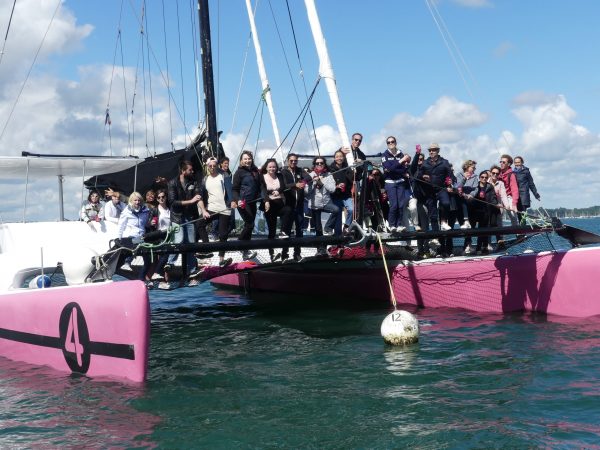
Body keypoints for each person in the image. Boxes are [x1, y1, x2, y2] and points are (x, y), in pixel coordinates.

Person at [166, 160, 202, 278]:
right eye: (190, 170)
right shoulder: (172, 183)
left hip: (190, 216)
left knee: (191, 243)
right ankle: (170, 263)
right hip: (176, 217)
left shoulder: (194, 182)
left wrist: (203, 209)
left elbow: (198, 196)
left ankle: (192, 270)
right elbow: (172, 202)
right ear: (183, 171)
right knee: (179, 240)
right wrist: (190, 201)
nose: (192, 171)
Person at [197, 157, 235, 267]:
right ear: (207, 166)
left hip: (224, 208)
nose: (212, 167)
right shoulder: (205, 179)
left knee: (223, 234)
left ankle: (221, 259)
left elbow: (229, 189)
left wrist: (232, 200)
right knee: (199, 223)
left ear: (217, 166)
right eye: (210, 166)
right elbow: (202, 194)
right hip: (212, 208)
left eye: (214, 165)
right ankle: (207, 248)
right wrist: (204, 210)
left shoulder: (224, 175)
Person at [304, 156, 340, 255]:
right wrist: (314, 182)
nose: (319, 165)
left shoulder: (328, 175)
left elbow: (332, 189)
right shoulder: (310, 175)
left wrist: (323, 181)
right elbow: (306, 191)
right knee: (318, 229)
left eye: (321, 163)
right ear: (314, 164)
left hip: (326, 202)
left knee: (336, 210)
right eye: (317, 163)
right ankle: (321, 249)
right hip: (315, 204)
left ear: (324, 164)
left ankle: (328, 227)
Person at [259, 158, 293, 262]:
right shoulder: (263, 177)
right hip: (269, 205)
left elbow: (283, 186)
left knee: (288, 210)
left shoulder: (279, 175)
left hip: (279, 204)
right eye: (270, 167)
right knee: (272, 230)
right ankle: (271, 254)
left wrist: (278, 191)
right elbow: (262, 189)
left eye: (274, 167)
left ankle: (283, 236)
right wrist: (266, 200)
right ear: (266, 167)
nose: (272, 168)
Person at [117, 191, 152, 285]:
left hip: (142, 237)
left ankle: (140, 280)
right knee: (135, 242)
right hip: (130, 236)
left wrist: (150, 223)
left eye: (139, 200)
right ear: (131, 201)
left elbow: (145, 224)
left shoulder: (145, 211)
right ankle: (127, 263)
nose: (137, 202)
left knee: (148, 260)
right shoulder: (126, 211)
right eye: (135, 200)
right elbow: (121, 225)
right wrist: (119, 238)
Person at [232, 150, 261, 260]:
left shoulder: (255, 171)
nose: (247, 160)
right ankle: (240, 242)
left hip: (253, 202)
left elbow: (259, 186)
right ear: (241, 160)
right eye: (245, 159)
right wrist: (238, 200)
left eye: (249, 158)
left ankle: (245, 250)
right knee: (250, 224)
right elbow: (234, 189)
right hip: (243, 202)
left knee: (249, 225)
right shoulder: (239, 173)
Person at [419, 143, 453, 232]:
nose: (431, 152)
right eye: (429, 150)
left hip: (442, 189)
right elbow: (418, 175)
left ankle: (443, 221)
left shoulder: (444, 162)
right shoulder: (425, 163)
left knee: (446, 203)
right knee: (433, 215)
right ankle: (435, 236)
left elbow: (450, 175)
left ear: (438, 151)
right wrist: (423, 176)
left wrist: (449, 185)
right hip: (430, 191)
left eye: (433, 150)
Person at [281, 153, 309, 261]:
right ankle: (284, 254)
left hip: (299, 205)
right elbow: (283, 186)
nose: (293, 162)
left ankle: (297, 253)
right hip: (288, 206)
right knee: (286, 231)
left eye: (295, 161)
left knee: (299, 231)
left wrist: (303, 181)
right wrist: (295, 185)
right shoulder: (283, 172)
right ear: (288, 161)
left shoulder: (300, 170)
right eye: (291, 161)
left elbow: (308, 177)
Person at [381, 136, 410, 233]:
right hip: (390, 183)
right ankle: (392, 225)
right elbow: (390, 168)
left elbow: (402, 169)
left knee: (401, 205)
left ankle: (399, 225)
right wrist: (400, 162)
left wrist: (394, 168)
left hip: (400, 182)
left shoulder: (400, 153)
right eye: (388, 142)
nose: (390, 143)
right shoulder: (384, 155)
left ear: (395, 142)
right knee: (394, 205)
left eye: (392, 141)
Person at [463, 171, 497, 254]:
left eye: (486, 177)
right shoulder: (475, 185)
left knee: (483, 231)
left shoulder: (490, 187)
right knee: (470, 230)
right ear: (479, 177)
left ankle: (481, 247)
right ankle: (466, 247)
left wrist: (496, 204)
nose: (484, 179)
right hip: (473, 210)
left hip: (485, 210)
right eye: (482, 177)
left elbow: (493, 197)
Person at [325, 149, 354, 235]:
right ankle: (337, 235)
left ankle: (347, 226)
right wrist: (336, 186)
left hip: (346, 195)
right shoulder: (330, 169)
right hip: (336, 195)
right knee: (338, 217)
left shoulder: (347, 167)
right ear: (334, 158)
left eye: (341, 156)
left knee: (351, 210)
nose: (339, 158)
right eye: (337, 156)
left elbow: (353, 178)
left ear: (344, 158)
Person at [513, 156, 541, 222]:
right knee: (518, 213)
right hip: (515, 195)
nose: (517, 164)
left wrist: (536, 195)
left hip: (524, 195)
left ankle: (522, 228)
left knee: (523, 213)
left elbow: (531, 184)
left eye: (518, 162)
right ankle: (520, 229)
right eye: (515, 162)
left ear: (522, 162)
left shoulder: (526, 172)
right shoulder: (512, 173)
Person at [498, 154, 519, 226]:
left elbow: (515, 190)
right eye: (500, 162)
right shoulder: (497, 173)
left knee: (513, 215)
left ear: (509, 164)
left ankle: (519, 234)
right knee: (498, 217)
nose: (501, 163)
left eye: (504, 162)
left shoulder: (511, 175)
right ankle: (500, 236)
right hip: (499, 197)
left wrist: (514, 204)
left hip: (508, 196)